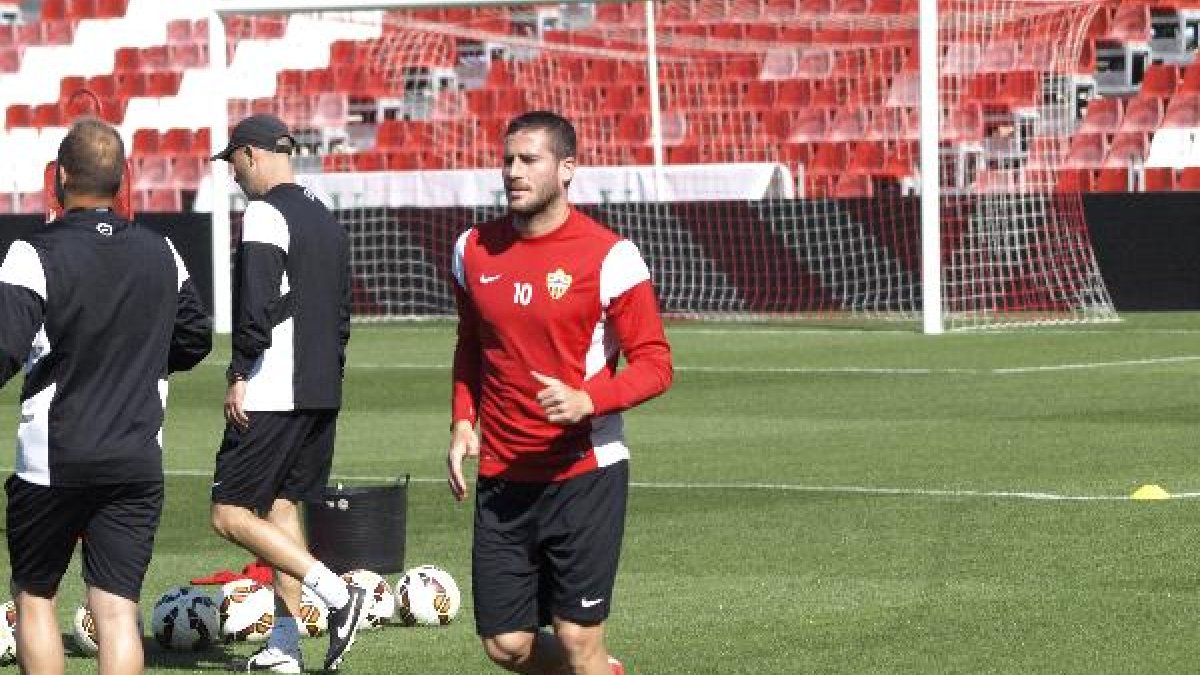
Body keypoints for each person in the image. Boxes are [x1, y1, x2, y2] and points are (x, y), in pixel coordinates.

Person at [447, 110, 673, 675]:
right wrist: (462, 422)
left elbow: (656, 363)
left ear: (567, 168)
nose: (513, 172)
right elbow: (472, 345)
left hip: (585, 473)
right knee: (506, 646)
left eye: (530, 160)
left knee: (577, 638)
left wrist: (588, 401)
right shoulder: (472, 250)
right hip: (502, 476)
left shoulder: (610, 257)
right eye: (507, 159)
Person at [0, 117, 212, 675]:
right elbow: (194, 339)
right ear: (123, 180)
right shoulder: (162, 249)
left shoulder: (31, 250)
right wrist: (134, 358)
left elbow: (3, 350)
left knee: (35, 596)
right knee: (117, 609)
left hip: (54, 458)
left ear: (60, 177)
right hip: (137, 454)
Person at [207, 113, 365, 673]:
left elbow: (256, 308)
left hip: (273, 386)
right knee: (278, 509)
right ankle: (285, 646)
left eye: (232, 162)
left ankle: (338, 594)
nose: (231, 174)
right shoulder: (325, 215)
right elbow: (345, 311)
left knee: (228, 513)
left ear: (251, 155)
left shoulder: (265, 212)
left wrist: (240, 372)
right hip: (322, 387)